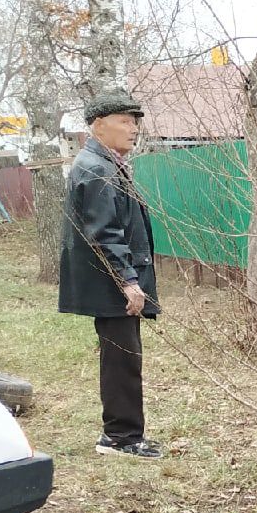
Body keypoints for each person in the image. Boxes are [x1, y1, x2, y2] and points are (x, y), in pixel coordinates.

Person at [58, 90, 162, 460]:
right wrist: (128, 282)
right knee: (122, 360)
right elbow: (105, 233)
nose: (133, 129)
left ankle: (122, 434)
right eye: (124, 121)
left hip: (109, 282)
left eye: (135, 122)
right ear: (98, 125)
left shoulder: (102, 163)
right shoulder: (97, 168)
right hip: (111, 284)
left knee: (122, 358)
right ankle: (120, 438)